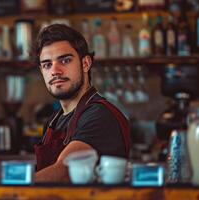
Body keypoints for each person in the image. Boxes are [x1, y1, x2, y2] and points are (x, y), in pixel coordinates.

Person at [32, 24, 130, 183]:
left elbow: (65, 170)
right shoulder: (53, 121)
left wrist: (7, 192)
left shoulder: (100, 115)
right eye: (47, 64)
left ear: (85, 63)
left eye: (64, 60)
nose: (55, 71)